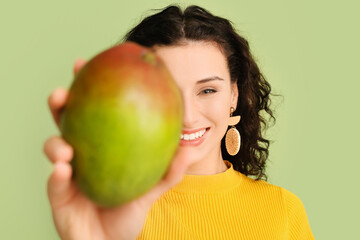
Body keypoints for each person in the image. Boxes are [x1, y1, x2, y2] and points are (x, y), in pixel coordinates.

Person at [43, 4, 315, 240]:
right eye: (167, 92)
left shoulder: (283, 210)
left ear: (234, 95)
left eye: (207, 90)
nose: (187, 116)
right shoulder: (114, 213)